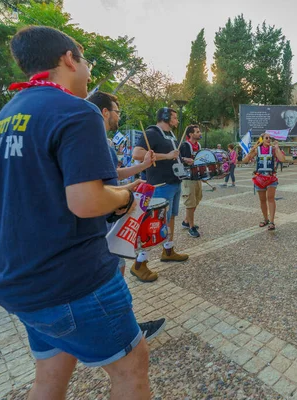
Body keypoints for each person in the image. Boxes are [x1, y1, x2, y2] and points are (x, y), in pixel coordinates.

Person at [0, 26, 150, 399]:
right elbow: (86, 201)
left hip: (15, 278)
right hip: (69, 279)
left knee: (50, 374)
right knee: (131, 367)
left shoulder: (4, 117)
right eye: (86, 62)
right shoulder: (76, 111)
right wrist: (124, 199)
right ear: (67, 58)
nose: (89, 73)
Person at [87, 91, 166, 341]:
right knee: (114, 275)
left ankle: (122, 325)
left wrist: (141, 168)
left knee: (116, 272)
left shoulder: (103, 141)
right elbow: (97, 187)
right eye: (117, 110)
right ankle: (124, 331)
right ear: (105, 112)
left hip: (108, 221)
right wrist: (125, 194)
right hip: (103, 223)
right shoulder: (93, 140)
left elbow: (113, 173)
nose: (119, 115)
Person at [132, 107, 189, 282]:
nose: (177, 120)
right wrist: (167, 155)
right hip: (159, 185)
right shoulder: (152, 132)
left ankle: (168, 249)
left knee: (170, 218)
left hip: (174, 182)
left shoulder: (170, 135)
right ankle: (139, 263)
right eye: (174, 117)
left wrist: (181, 159)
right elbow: (137, 154)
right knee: (153, 222)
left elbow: (171, 157)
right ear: (165, 117)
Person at [242, 133, 286, 230]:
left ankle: (272, 221)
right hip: (260, 178)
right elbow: (245, 160)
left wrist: (277, 148)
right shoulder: (257, 150)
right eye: (266, 138)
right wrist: (252, 150)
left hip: (271, 178)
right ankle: (265, 219)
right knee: (262, 200)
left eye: (270, 138)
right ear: (262, 139)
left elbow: (282, 159)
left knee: (270, 198)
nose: (269, 139)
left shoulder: (273, 150)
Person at [179, 125, 203, 238]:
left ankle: (186, 221)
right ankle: (191, 227)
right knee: (190, 202)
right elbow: (176, 157)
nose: (200, 133)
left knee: (197, 199)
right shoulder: (184, 145)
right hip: (188, 178)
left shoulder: (198, 145)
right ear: (190, 134)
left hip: (197, 177)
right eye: (197, 132)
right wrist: (184, 159)